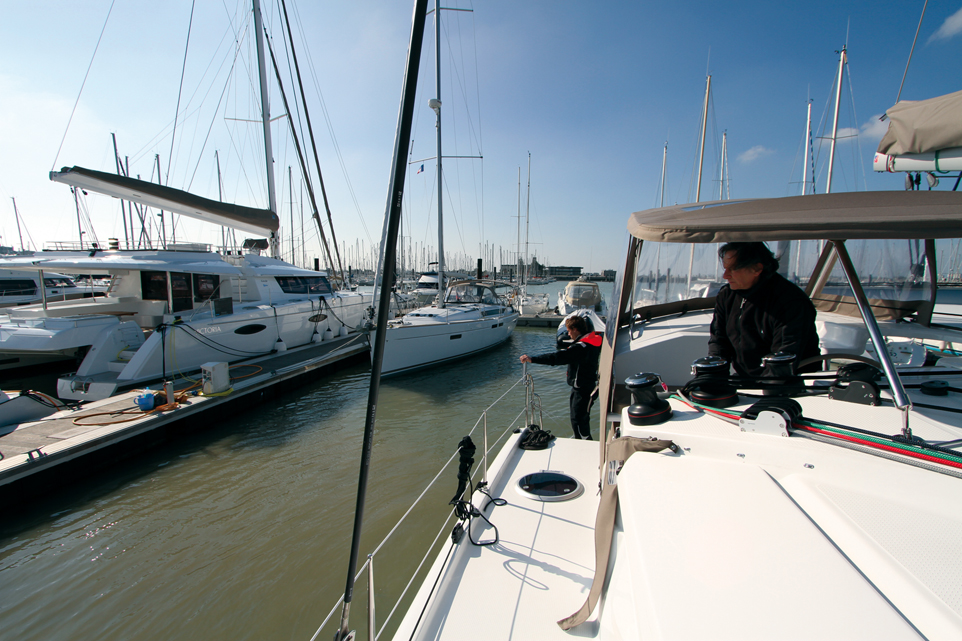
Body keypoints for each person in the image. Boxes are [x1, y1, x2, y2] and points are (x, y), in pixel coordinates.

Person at [709, 242, 820, 377]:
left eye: (733, 269)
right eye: (725, 269)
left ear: (757, 269)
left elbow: (785, 355)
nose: (725, 275)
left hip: (790, 382)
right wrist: (714, 379)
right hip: (748, 379)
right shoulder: (727, 296)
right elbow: (719, 342)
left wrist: (762, 391)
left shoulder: (790, 301)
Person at [520, 315, 602, 439]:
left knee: (578, 420)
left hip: (582, 389)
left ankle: (583, 444)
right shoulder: (592, 343)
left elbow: (557, 358)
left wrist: (532, 359)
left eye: (569, 331)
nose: (568, 334)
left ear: (575, 329)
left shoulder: (580, 348)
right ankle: (581, 439)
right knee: (581, 418)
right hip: (587, 386)